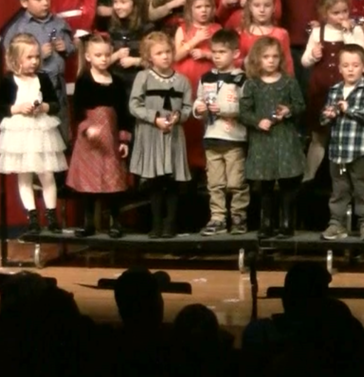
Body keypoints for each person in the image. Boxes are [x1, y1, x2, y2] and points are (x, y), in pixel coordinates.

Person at [0, 34, 68, 234]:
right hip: (20, 133)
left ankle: (51, 216)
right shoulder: (9, 80)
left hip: (41, 131)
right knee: (25, 175)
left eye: (36, 57)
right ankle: (32, 216)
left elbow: (54, 104)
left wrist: (43, 107)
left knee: (47, 174)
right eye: (29, 57)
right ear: (16, 59)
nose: (34, 61)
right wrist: (17, 108)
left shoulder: (42, 78)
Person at [66, 33, 132, 238]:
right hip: (89, 140)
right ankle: (89, 224)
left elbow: (123, 113)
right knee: (89, 183)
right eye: (98, 55)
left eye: (106, 55)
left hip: (110, 138)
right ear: (88, 57)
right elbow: (78, 111)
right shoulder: (84, 81)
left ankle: (115, 223)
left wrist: (123, 139)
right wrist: (87, 129)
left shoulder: (117, 82)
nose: (103, 59)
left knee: (113, 182)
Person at [239, 37, 306, 239]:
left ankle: (286, 223)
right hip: (263, 140)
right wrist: (257, 121)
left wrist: (288, 110)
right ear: (257, 59)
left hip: (284, 138)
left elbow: (300, 106)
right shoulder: (252, 84)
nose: (271, 60)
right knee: (265, 184)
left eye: (275, 56)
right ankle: (266, 223)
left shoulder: (288, 82)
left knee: (287, 183)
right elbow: (244, 112)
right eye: (266, 56)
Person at [128, 31, 192, 239]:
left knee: (172, 181)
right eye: (159, 53)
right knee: (155, 181)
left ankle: (170, 224)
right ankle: (156, 224)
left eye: (167, 52)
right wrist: (154, 118)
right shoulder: (143, 77)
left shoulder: (182, 81)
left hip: (173, 135)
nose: (165, 56)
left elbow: (187, 107)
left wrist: (178, 117)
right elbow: (134, 105)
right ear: (149, 57)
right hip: (151, 134)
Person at [302, 0, 364, 182]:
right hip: (321, 90)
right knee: (319, 135)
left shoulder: (355, 31)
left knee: (344, 134)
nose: (341, 16)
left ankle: (344, 178)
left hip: (346, 90)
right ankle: (309, 178)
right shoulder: (318, 32)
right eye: (336, 13)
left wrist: (347, 33)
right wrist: (313, 55)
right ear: (325, 14)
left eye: (344, 11)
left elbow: (360, 55)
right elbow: (305, 61)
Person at [2, 0, 76, 143]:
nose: (45, 3)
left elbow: (72, 48)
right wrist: (38, 54)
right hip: (34, 88)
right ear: (24, 2)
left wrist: (66, 47)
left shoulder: (58, 23)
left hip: (58, 88)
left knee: (62, 135)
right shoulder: (19, 29)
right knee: (39, 138)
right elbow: (11, 61)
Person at [320, 45, 364, 240]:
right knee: (339, 190)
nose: (350, 69)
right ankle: (336, 223)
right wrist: (328, 115)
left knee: (362, 189)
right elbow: (323, 118)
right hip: (338, 152)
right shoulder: (335, 90)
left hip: (359, 150)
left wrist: (349, 109)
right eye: (346, 66)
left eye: (355, 65)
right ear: (339, 68)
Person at [192, 29, 248, 236]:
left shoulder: (241, 79)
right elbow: (199, 99)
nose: (217, 56)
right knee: (215, 183)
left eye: (222, 52)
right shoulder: (206, 77)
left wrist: (223, 109)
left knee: (236, 182)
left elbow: (246, 108)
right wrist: (198, 109)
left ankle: (238, 216)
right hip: (212, 137)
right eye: (214, 52)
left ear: (235, 54)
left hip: (234, 138)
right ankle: (218, 217)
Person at [174, 0, 220, 170]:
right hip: (186, 79)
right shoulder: (183, 28)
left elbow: (224, 56)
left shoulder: (217, 29)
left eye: (207, 6)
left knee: (207, 121)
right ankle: (186, 165)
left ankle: (207, 164)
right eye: (199, 7)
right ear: (190, 9)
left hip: (209, 81)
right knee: (188, 121)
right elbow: (175, 56)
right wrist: (195, 40)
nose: (203, 10)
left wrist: (206, 54)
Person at [108, 0, 152, 99]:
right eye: (115, 2)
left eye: (123, 2)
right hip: (116, 84)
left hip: (139, 85)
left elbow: (154, 61)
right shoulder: (113, 28)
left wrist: (134, 61)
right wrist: (116, 55)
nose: (117, 6)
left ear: (136, 3)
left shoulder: (147, 29)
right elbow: (105, 60)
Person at [237, 0, 294, 72]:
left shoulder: (281, 34)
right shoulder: (243, 34)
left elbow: (288, 66)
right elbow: (235, 63)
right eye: (257, 5)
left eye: (267, 5)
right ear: (250, 7)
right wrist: (245, 62)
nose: (262, 10)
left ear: (274, 7)